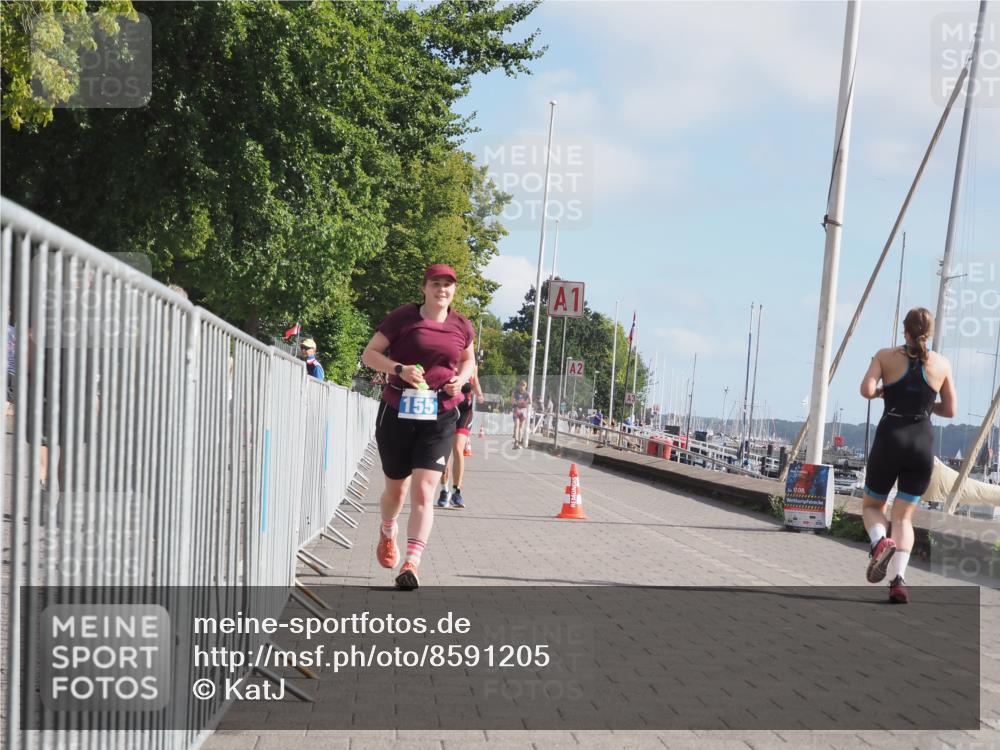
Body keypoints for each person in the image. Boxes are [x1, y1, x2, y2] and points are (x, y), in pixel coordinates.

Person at [360, 264, 476, 590]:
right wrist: (399, 368)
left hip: (439, 415)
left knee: (425, 490)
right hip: (397, 410)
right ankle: (387, 530)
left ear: (454, 291)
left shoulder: (461, 325)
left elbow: (469, 361)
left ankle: (411, 563)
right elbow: (369, 354)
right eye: (436, 284)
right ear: (424, 287)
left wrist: (460, 380)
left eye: (448, 285)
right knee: (396, 491)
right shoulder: (403, 318)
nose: (442, 290)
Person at [860, 307, 956, 604]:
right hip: (921, 443)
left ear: (905, 331)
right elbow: (950, 410)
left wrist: (881, 393)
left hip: (891, 437)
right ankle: (899, 581)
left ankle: (879, 543)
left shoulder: (885, 356)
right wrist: (927, 407)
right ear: (931, 332)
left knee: (873, 505)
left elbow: (866, 389)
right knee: (903, 517)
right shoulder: (942, 364)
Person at [437, 366, 485, 509]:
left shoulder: (472, 366)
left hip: (465, 412)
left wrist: (480, 395)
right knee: (445, 451)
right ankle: (444, 491)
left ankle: (456, 491)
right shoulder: (448, 360)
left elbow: (475, 382)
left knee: (458, 448)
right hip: (447, 410)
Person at [512, 380, 529, 448]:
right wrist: (516, 402)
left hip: (523, 411)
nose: (522, 386)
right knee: (517, 426)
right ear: (519, 385)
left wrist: (524, 403)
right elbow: (512, 401)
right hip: (517, 410)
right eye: (521, 385)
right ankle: (516, 442)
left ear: (525, 386)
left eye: (523, 385)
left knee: (521, 427)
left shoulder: (527, 394)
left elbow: (530, 401)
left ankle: (519, 442)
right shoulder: (515, 393)